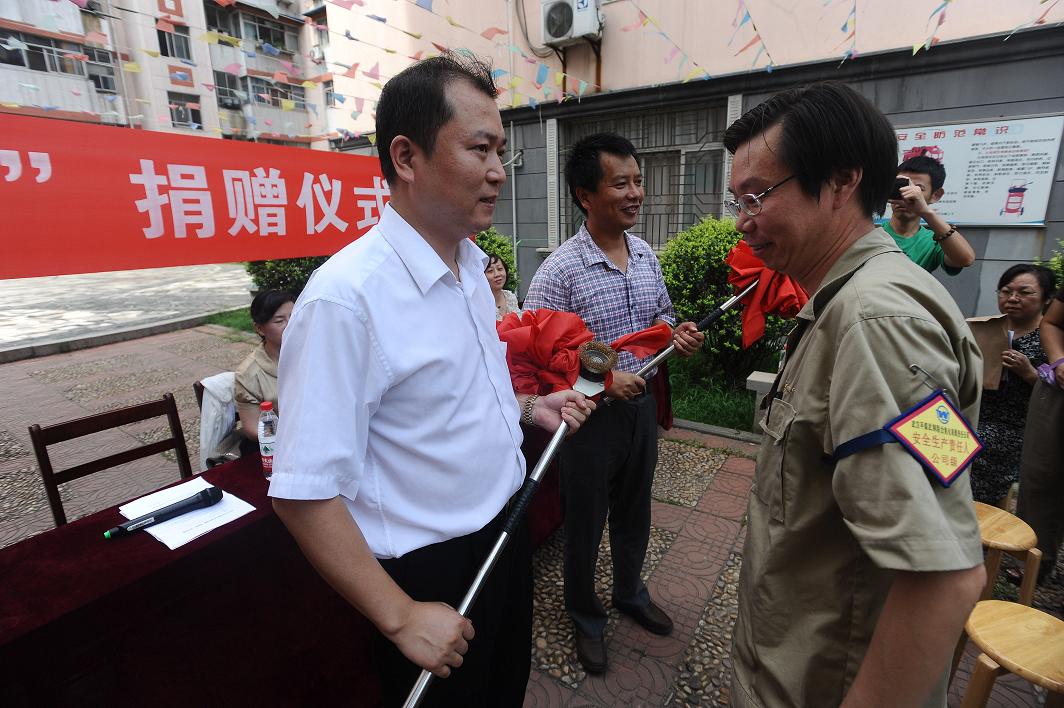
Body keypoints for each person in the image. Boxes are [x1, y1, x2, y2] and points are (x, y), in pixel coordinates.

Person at [267, 53, 594, 707]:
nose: (500, 172)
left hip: (506, 532)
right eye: (480, 149)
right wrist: (399, 614)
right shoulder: (345, 299)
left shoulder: (473, 267)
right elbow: (302, 493)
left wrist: (532, 409)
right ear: (407, 157)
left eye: (502, 150)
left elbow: (465, 394)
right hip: (431, 573)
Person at [723, 82, 985, 707]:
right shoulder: (853, 302)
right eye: (738, 200)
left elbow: (945, 576)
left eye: (758, 195)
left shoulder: (875, 323)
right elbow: (944, 474)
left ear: (841, 181)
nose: (743, 221)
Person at [523, 132, 704, 674]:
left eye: (638, 181)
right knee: (584, 519)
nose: (635, 193)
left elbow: (662, 319)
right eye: (620, 182)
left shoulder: (646, 254)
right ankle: (584, 613)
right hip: (586, 420)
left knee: (635, 507)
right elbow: (538, 354)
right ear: (585, 195)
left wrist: (679, 335)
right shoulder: (561, 270)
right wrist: (603, 381)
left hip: (641, 411)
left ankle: (630, 591)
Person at [969, 265, 1056, 506]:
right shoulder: (984, 328)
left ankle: (983, 520)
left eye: (1025, 292)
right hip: (973, 413)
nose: (1013, 298)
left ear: (1048, 299)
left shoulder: (1051, 338)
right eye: (1006, 291)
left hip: (1018, 426)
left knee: (976, 443)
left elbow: (1056, 392)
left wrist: (1028, 372)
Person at [1017, 285, 1064, 584]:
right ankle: (1034, 561)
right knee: (1040, 477)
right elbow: (1053, 322)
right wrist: (1059, 361)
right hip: (1059, 391)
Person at [884, 152, 976, 274]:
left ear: (935, 195)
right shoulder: (872, 231)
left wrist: (925, 212)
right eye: (901, 186)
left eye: (918, 189)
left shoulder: (933, 241)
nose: (906, 195)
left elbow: (966, 259)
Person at [234, 289, 295, 442]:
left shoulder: (315, 353)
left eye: (294, 317)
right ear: (260, 328)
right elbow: (253, 428)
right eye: (279, 321)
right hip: (279, 448)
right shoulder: (249, 374)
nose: (291, 325)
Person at [485, 254, 520, 320]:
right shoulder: (480, 302)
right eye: (490, 271)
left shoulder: (510, 297)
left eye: (500, 269)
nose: (497, 274)